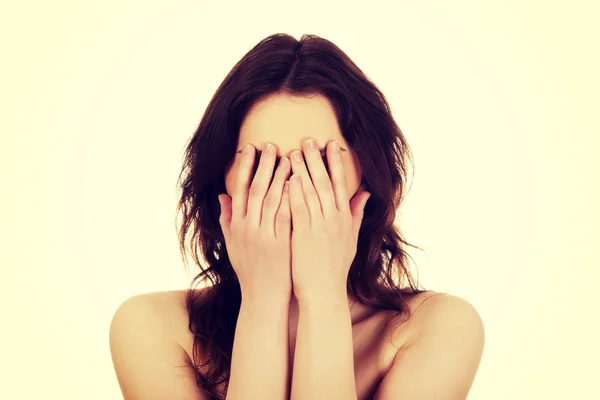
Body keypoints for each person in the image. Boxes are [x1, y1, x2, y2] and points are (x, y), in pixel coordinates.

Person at [109, 33, 485, 400]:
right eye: (261, 165)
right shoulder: (150, 328)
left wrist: (323, 296)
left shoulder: (438, 328)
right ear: (220, 187)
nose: (290, 190)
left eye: (318, 165)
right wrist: (263, 301)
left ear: (370, 179)